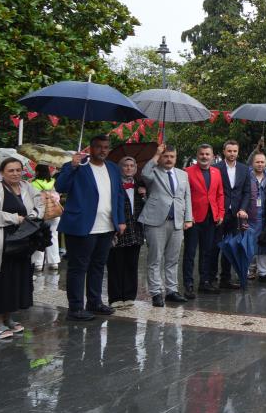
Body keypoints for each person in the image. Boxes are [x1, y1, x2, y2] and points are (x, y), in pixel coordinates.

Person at [56, 135, 126, 321]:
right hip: (81, 226)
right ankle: (75, 308)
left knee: (98, 266)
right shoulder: (78, 165)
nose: (103, 150)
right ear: (90, 148)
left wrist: (121, 220)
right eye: (98, 147)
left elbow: (119, 195)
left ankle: (94, 302)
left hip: (106, 225)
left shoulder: (112, 167)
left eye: (106, 147)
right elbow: (60, 186)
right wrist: (72, 166)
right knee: (78, 267)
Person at [0, 157, 43, 339]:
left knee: (16, 280)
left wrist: (33, 216)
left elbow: (39, 206)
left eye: (18, 170)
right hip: (0, 242)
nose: (15, 173)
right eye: (11, 170)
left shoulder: (28, 187)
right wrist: (15, 218)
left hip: (22, 242)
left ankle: (7, 318)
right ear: (2, 172)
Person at [139, 144, 192, 306]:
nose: (169, 159)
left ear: (176, 158)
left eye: (172, 156)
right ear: (161, 157)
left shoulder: (183, 174)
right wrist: (156, 154)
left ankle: (171, 290)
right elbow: (144, 174)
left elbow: (186, 197)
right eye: (166, 156)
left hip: (177, 221)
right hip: (156, 221)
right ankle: (156, 292)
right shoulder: (153, 172)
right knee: (155, 258)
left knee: (173, 259)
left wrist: (188, 218)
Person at [184, 144, 224, 295]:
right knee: (190, 253)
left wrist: (220, 213)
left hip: (211, 218)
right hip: (193, 219)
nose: (204, 157)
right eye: (202, 154)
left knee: (207, 252)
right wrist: (187, 215)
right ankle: (188, 284)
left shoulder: (216, 172)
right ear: (197, 155)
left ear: (212, 156)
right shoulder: (187, 172)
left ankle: (204, 282)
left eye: (207, 154)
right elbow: (183, 196)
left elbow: (220, 194)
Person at [107, 156, 146, 305]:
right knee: (116, 264)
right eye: (125, 165)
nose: (129, 168)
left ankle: (129, 296)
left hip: (135, 231)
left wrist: (144, 195)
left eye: (132, 166)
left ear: (136, 169)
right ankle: (116, 297)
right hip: (118, 230)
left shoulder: (140, 187)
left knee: (132, 264)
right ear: (120, 168)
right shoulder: (113, 185)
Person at [213, 140, 251, 290]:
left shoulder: (244, 169)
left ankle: (225, 279)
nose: (232, 154)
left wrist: (243, 208)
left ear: (238, 152)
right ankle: (211, 277)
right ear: (224, 151)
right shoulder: (216, 168)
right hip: (219, 214)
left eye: (235, 151)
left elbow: (247, 192)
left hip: (236, 214)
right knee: (215, 246)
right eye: (229, 151)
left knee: (230, 247)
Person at [249, 152, 266, 284]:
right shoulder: (246, 176)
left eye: (262, 162)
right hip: (249, 215)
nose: (260, 164)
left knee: (264, 244)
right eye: (257, 162)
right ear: (253, 163)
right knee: (248, 244)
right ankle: (246, 271)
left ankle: (264, 273)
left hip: (265, 216)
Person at [30, 164, 60, 272]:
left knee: (39, 236)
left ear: (37, 172)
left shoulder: (33, 183)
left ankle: (38, 264)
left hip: (41, 213)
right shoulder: (52, 182)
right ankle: (54, 262)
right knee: (53, 236)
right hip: (54, 212)